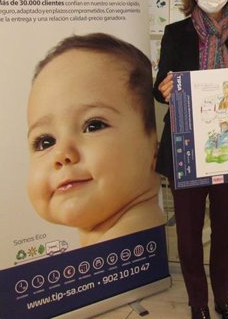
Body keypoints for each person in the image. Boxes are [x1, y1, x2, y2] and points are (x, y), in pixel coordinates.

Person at [153, 0, 228, 319]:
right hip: (186, 144)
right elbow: (159, 87)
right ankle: (198, 302)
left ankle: (223, 298)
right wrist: (164, 88)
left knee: (225, 229)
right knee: (187, 232)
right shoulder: (175, 33)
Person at [26, 33, 165, 247]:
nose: (61, 154)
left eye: (93, 126)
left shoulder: (124, 247)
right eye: (45, 141)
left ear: (155, 146)